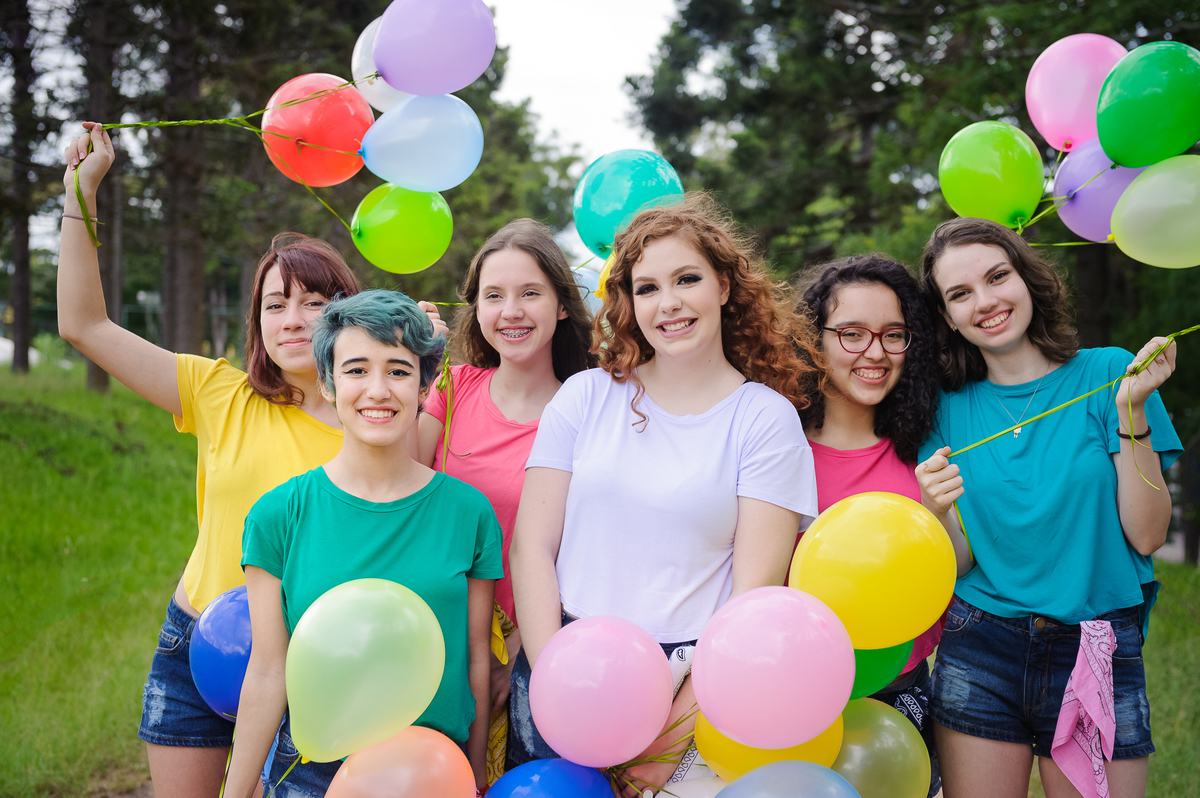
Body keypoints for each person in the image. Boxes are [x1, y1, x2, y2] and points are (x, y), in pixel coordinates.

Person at [57, 122, 360, 798]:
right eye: (276, 304)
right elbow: (84, 324)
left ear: (348, 315)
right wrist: (81, 195)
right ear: (256, 322)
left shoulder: (377, 424)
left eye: (316, 302)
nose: (293, 318)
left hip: (305, 664)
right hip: (195, 644)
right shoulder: (218, 391)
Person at [508, 194, 824, 795]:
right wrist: (556, 681)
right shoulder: (583, 397)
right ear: (628, 302)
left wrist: (674, 734)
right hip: (564, 660)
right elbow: (531, 548)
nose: (669, 303)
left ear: (726, 286)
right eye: (647, 288)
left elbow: (750, 599)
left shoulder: (764, 420)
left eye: (687, 279)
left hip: (694, 684)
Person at [915, 217, 1180, 798]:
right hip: (980, 645)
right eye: (960, 294)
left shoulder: (1112, 374)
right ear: (945, 316)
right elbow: (959, 561)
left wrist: (1132, 415)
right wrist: (936, 512)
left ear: (1027, 278)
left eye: (996, 276)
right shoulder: (947, 410)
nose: (985, 301)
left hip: (1095, 643)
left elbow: (1148, 535)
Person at [223, 290, 502, 797]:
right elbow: (268, 670)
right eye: (355, 370)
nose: (378, 390)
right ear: (328, 384)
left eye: (398, 370)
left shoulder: (469, 513)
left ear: (424, 385)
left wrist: (477, 772)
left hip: (435, 772)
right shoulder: (277, 515)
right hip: (312, 771)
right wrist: (236, 793)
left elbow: (475, 661)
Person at [413, 219, 596, 782]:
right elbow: (399, 484)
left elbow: (579, 547)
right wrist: (411, 357)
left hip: (543, 646)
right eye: (494, 296)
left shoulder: (591, 405)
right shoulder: (452, 388)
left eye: (530, 293)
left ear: (562, 306)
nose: (511, 311)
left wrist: (512, 655)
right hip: (442, 642)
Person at [795, 255, 972, 798]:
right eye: (851, 334)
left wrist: (934, 515)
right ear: (813, 340)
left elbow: (958, 568)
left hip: (901, 696)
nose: (875, 353)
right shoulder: (778, 451)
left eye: (894, 335)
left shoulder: (921, 449)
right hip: (791, 695)